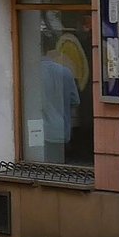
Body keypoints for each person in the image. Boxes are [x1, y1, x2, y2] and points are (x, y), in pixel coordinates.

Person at [38, 31, 81, 164]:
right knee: (60, 169)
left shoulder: (31, 71)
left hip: (40, 132)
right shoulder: (66, 72)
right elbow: (75, 101)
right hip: (62, 130)